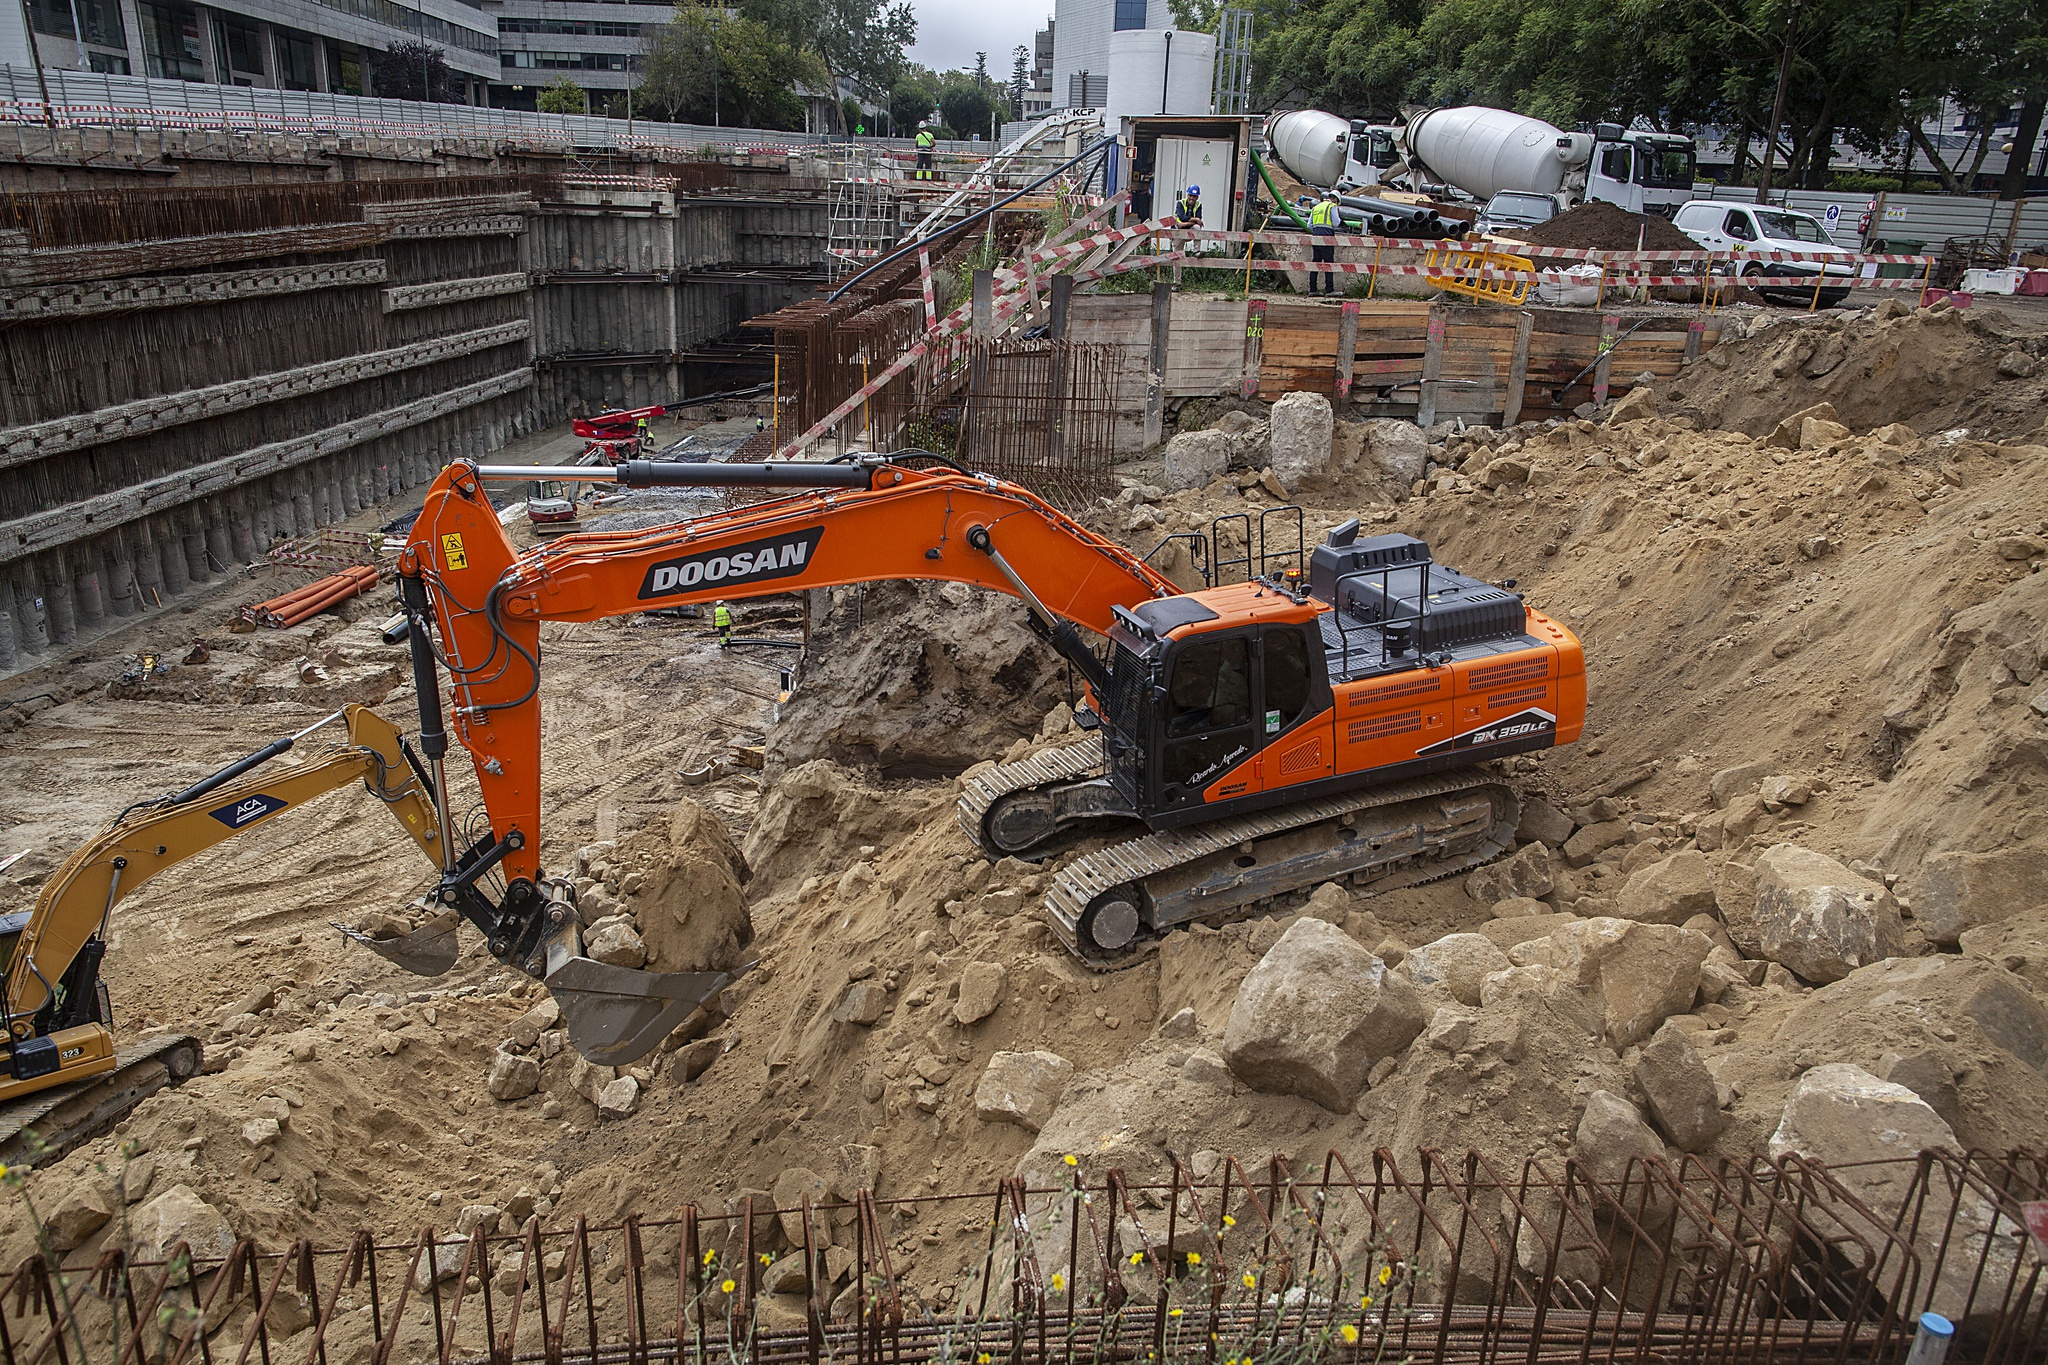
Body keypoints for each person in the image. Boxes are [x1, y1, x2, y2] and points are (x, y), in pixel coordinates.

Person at [1308, 189, 1340, 295]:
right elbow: (1335, 223)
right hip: (1327, 236)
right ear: (1335, 199)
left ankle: (1313, 289)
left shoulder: (1316, 207)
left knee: (1315, 262)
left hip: (1316, 235)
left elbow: (1309, 225)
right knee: (1328, 263)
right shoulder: (1332, 206)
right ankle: (1329, 290)